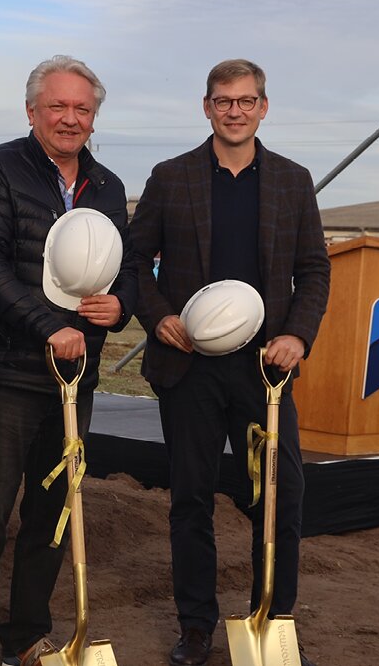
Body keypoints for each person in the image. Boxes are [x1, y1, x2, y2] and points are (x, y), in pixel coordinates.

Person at [125, 59, 330, 666]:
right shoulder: (171, 177)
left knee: (281, 495)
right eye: (223, 101)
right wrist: (159, 317)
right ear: (207, 107)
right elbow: (134, 262)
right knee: (191, 498)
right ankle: (195, 627)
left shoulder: (293, 181)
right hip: (188, 367)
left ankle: (274, 620)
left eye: (245, 101)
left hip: (265, 370)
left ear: (263, 107)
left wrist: (298, 335)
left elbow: (313, 270)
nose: (234, 111)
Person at [0, 55, 135, 666]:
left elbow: (124, 265)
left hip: (75, 377)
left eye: (82, 109)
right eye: (58, 106)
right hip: (8, 371)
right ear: (32, 111)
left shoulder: (108, 187)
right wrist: (47, 325)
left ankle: (26, 637)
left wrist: (121, 306)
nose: (70, 118)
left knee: (52, 513)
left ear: (94, 117)